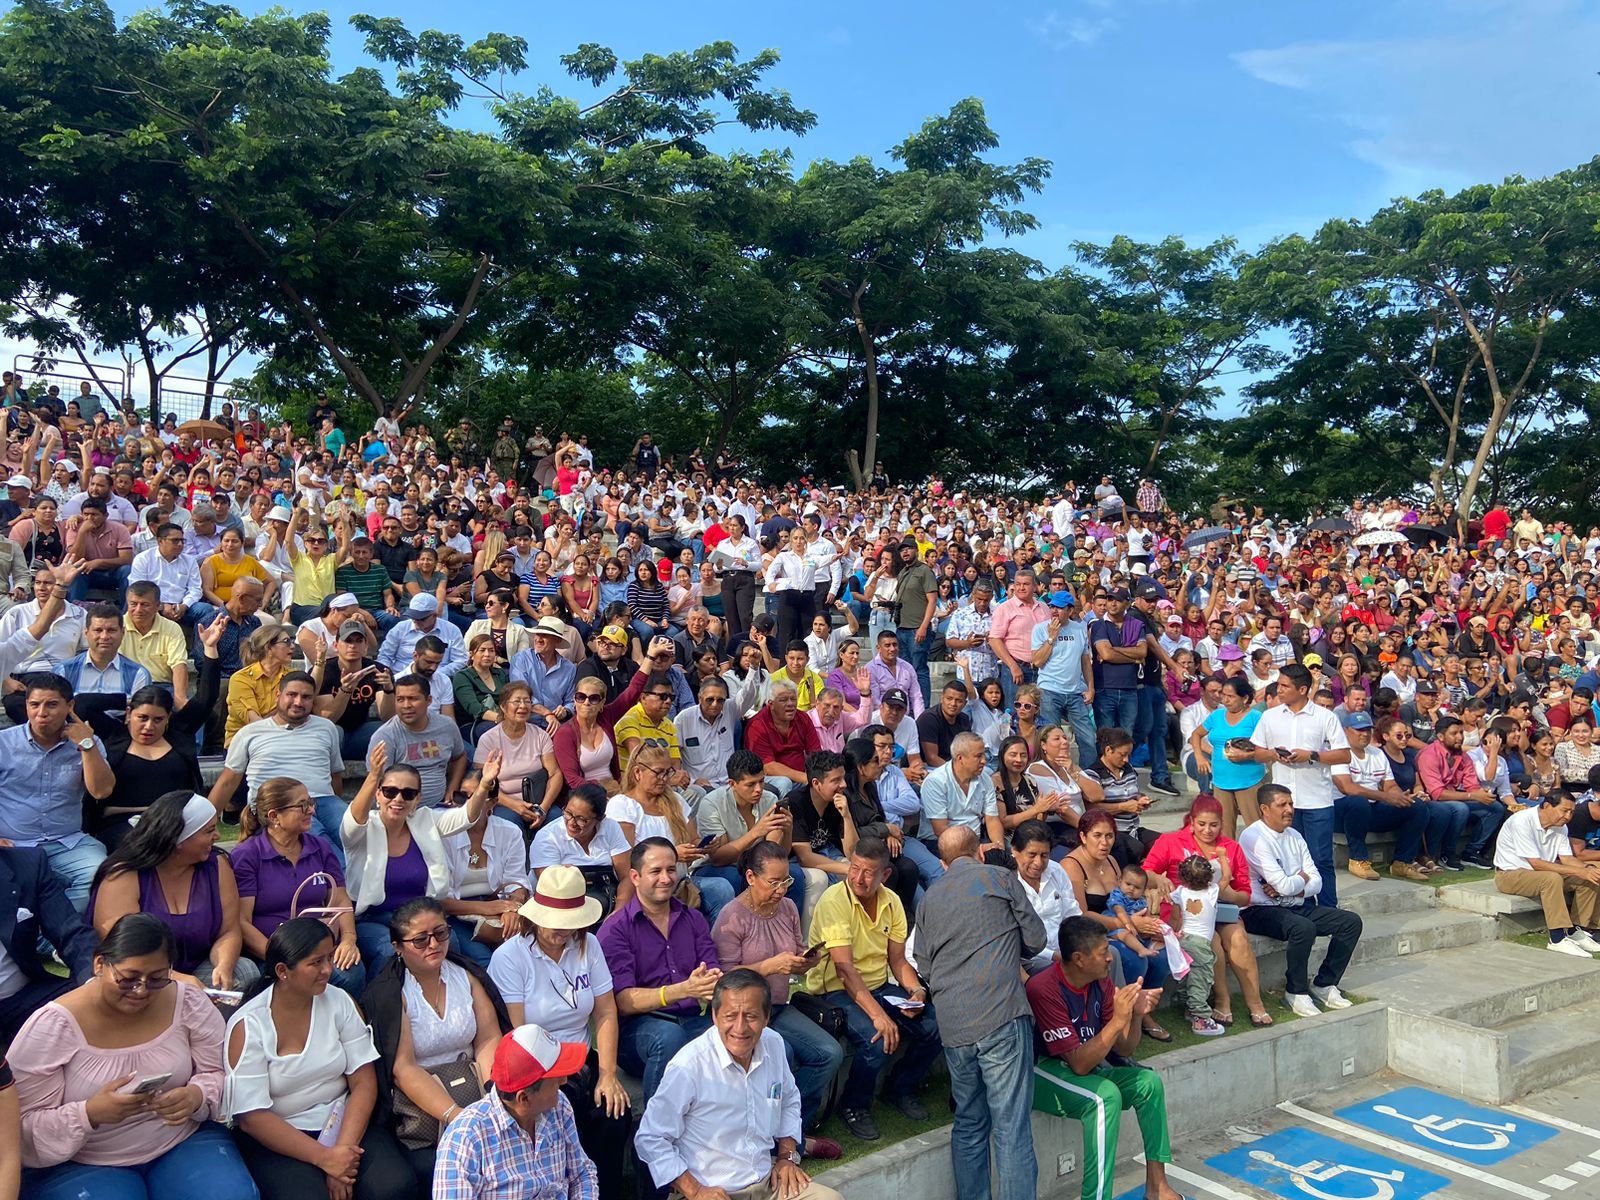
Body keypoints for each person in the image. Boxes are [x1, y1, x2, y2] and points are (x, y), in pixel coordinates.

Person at [11, 914, 257, 1200]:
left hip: (179, 1140)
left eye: (156, 979)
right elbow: (20, 1125)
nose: (141, 990)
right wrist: (89, 1113)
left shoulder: (187, 1002)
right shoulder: (53, 1027)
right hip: (84, 1161)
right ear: (100, 964)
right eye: (128, 979)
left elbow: (223, 1070)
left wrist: (197, 1095)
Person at [225, 918, 422, 1200]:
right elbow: (252, 1118)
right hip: (281, 1134)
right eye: (316, 962)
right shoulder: (249, 1024)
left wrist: (343, 1151)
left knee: (393, 1186)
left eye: (329, 957)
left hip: (342, 1122)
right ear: (283, 971)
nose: (328, 969)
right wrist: (324, 1158)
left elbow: (364, 1083)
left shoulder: (339, 1001)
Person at [635, 969, 843, 1200]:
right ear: (714, 1016)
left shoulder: (774, 1044)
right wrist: (695, 1191)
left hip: (767, 1183)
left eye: (751, 1016)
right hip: (712, 1192)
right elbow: (650, 1137)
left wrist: (786, 1156)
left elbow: (789, 1100)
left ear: (766, 1017)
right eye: (730, 1016)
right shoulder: (688, 1066)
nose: (740, 1028)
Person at [918, 827, 1045, 1200]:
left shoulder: (928, 898)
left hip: (954, 1023)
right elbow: (1036, 940)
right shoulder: (1001, 877)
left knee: (970, 1122)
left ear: (943, 863)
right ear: (979, 852)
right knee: (1010, 1127)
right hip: (1001, 1014)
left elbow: (924, 965)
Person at [486, 868, 631, 1194]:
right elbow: (518, 1034)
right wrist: (552, 1077)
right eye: (556, 921)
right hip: (536, 1064)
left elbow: (606, 1010)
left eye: (571, 922)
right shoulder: (511, 958)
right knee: (558, 1111)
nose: (564, 930)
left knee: (615, 1111)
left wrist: (608, 1074)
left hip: (579, 1054)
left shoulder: (589, 945)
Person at [1027, 915, 1185, 1200]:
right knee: (1105, 1097)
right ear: (1079, 958)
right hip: (1042, 1072)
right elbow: (1079, 1063)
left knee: (1148, 1082)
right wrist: (1116, 1022)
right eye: (1103, 953)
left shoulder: (1099, 981)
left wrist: (1136, 1015)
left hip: (1082, 1069)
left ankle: (1157, 1186)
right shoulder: (1044, 988)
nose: (1110, 958)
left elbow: (1124, 1049)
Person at [800, 837, 940, 1142]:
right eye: (854, 868)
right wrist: (878, 1015)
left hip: (880, 985)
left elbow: (899, 960)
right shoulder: (834, 900)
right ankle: (854, 1105)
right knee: (876, 1040)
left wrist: (915, 990)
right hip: (836, 990)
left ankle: (899, 1088)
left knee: (934, 1026)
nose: (858, 878)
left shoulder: (892, 902)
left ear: (884, 875)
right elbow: (845, 970)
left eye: (867, 872)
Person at [361, 898, 510, 1177]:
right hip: (422, 1107)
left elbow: (489, 1038)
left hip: (476, 1086)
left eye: (441, 933)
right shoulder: (390, 993)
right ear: (397, 947)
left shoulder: (467, 976)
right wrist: (455, 1116)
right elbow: (403, 1068)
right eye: (420, 940)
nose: (434, 944)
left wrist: (493, 1098)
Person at [710, 841, 842, 1152]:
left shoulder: (788, 908)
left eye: (786, 881)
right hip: (748, 1013)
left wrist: (805, 959)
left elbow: (796, 948)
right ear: (751, 877)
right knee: (786, 1056)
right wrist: (769, 966)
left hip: (779, 1007)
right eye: (774, 882)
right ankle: (777, 1139)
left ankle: (792, 1132)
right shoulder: (732, 916)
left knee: (829, 1053)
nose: (781, 889)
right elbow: (725, 980)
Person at [342, 742, 498, 970]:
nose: (398, 799)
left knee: (449, 942)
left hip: (419, 916)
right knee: (391, 951)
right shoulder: (365, 828)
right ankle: (388, 1003)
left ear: (417, 799)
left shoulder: (425, 820)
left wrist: (484, 785)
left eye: (408, 793)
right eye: (389, 791)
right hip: (373, 919)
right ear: (378, 794)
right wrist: (374, 775)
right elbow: (352, 824)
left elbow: (466, 817)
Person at [88, 791, 257, 991]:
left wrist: (223, 966)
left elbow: (228, 931)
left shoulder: (218, 865)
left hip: (194, 970)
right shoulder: (123, 875)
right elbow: (126, 950)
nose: (217, 836)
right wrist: (174, 978)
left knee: (245, 971)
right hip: (137, 974)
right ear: (178, 839)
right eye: (209, 830)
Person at [595, 838, 723, 1103]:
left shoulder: (693, 919)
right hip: (637, 1030)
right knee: (668, 1037)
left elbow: (713, 970)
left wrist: (710, 982)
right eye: (655, 871)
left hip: (690, 1018)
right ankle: (654, 1131)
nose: (666, 878)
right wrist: (683, 990)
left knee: (741, 1030)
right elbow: (623, 1001)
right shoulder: (616, 928)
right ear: (635, 877)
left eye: (671, 870)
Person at [92, 613, 224, 849]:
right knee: (144, 847)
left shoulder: (178, 733)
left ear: (168, 719)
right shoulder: (113, 734)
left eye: (157, 719)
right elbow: (81, 705)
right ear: (129, 715)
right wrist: (123, 699)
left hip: (176, 821)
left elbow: (207, 698)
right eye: (142, 718)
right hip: (120, 824)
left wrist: (210, 648)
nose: (148, 726)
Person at [432, 1022, 598, 1200]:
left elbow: (582, 1174)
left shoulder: (559, 1106)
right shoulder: (465, 1139)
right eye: (555, 1078)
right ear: (524, 1098)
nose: (564, 1081)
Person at [1142, 796, 1269, 1027]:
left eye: (1214, 825)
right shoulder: (1170, 841)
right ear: (1191, 821)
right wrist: (1160, 878)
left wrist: (1228, 894)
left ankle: (1256, 1004)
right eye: (1201, 824)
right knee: (1212, 940)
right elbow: (1144, 873)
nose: (1207, 830)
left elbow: (1245, 894)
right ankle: (1222, 1000)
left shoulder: (1231, 848)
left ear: (1222, 823)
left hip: (1223, 909)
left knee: (1239, 938)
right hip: (1188, 916)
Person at [1239, 785, 1365, 1018]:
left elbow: (1315, 882)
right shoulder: (1252, 837)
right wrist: (1298, 879)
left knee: (1350, 922)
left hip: (1292, 903)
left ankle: (1325, 984)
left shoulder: (1295, 835)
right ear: (1264, 809)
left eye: (1291, 804)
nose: (1289, 809)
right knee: (1303, 928)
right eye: (1282, 805)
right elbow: (1285, 883)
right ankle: (1295, 992)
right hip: (1259, 909)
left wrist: (1292, 889)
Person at [231, 777, 363, 998]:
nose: (311, 810)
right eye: (302, 805)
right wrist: (281, 956)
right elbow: (241, 922)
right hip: (274, 952)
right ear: (274, 816)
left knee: (350, 973)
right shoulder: (247, 855)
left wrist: (349, 939)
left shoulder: (319, 847)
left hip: (319, 946)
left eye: (311, 803)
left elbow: (341, 900)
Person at [0, 672, 114, 910]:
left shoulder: (88, 743)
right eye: (34, 705)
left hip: (67, 843)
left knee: (98, 876)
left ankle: (53, 936)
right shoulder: (3, 743)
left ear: (70, 706)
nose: (42, 713)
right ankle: (49, 935)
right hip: (12, 843)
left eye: (52, 705)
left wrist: (86, 745)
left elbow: (101, 791)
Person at [1241, 662, 1351, 905]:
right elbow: (1257, 753)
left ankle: (1327, 909)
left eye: (1284, 686)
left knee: (1320, 859)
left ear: (1302, 689)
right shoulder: (1269, 716)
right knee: (1288, 860)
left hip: (1316, 801)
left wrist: (1311, 755)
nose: (1279, 690)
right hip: (1282, 802)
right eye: (1279, 684)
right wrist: (1273, 754)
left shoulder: (1325, 717)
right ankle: (1297, 906)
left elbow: (1344, 755)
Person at [208, 672, 347, 857]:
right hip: (281, 805)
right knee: (326, 849)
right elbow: (228, 781)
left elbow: (335, 775)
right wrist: (205, 821)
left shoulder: (326, 728)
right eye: (292, 695)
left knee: (358, 834)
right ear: (278, 695)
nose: (298, 702)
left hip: (325, 800)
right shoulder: (250, 733)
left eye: (306, 697)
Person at [0, 846, 97, 1049]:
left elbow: (71, 932)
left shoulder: (27, 865)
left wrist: (92, 983)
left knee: (114, 997)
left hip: (23, 997)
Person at [1492, 791, 1600, 956]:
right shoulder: (1521, 821)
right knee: (1551, 878)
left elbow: (1567, 858)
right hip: (1509, 875)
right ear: (1547, 806)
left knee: (1589, 875)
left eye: (1571, 812)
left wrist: (1587, 870)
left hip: (1539, 872)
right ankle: (1556, 938)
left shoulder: (1561, 827)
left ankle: (1576, 929)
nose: (1568, 816)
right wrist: (1580, 870)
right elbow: (1536, 863)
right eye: (1564, 810)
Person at [1332, 711, 1433, 883]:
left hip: (1372, 808)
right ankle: (1358, 859)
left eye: (1367, 730)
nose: (1364, 734)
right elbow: (1347, 788)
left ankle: (1402, 862)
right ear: (1346, 730)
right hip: (1343, 811)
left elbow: (1390, 785)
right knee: (1358, 802)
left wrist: (1400, 796)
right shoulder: (1338, 753)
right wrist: (1386, 797)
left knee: (1416, 806)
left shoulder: (1377, 753)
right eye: (1359, 730)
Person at [370, 673, 469, 811]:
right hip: (400, 811)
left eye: (413, 699)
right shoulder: (385, 736)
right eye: (400, 699)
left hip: (440, 807)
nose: (406, 705)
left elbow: (459, 757)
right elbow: (377, 782)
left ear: (428, 700)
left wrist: (452, 788)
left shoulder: (447, 726)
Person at [474, 682, 562, 832]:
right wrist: (514, 805)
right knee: (509, 826)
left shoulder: (540, 735)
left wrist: (543, 808)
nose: (523, 706)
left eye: (527, 701)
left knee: (557, 822)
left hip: (538, 801)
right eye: (517, 701)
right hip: (503, 802)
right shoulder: (488, 739)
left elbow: (555, 774)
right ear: (503, 706)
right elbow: (478, 781)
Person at [1192, 676, 1265, 838]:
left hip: (1249, 781)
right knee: (1224, 831)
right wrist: (1199, 756)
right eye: (1223, 695)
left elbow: (1268, 749)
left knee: (1256, 829)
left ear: (1245, 698)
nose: (1225, 700)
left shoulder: (1256, 718)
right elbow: (1195, 735)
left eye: (1230, 696)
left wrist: (1247, 755)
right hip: (1221, 781)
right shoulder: (1216, 716)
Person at [1031, 589, 1097, 766]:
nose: (1054, 611)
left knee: (1088, 739)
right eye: (1052, 606)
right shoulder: (1040, 629)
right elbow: (1037, 661)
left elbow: (1085, 661)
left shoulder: (1080, 628)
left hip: (1075, 692)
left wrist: (1091, 688)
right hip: (1049, 691)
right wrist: (1051, 638)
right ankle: (1053, 778)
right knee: (1051, 741)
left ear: (1070, 610)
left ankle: (1088, 778)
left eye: (1059, 608)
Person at [1011, 820, 1082, 975]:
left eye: (1044, 855)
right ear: (1015, 851)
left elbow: (1072, 916)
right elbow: (1016, 939)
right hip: (1031, 957)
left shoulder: (1057, 871)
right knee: (1054, 972)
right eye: (1032, 855)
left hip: (1065, 950)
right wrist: (1054, 956)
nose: (1038, 863)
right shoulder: (1006, 882)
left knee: (1109, 954)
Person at [225, 626, 295, 746]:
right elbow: (254, 722)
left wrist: (320, 662)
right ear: (269, 647)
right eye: (286, 642)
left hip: (284, 738)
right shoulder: (241, 678)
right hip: (245, 742)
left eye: (292, 641)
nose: (293, 646)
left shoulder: (292, 676)